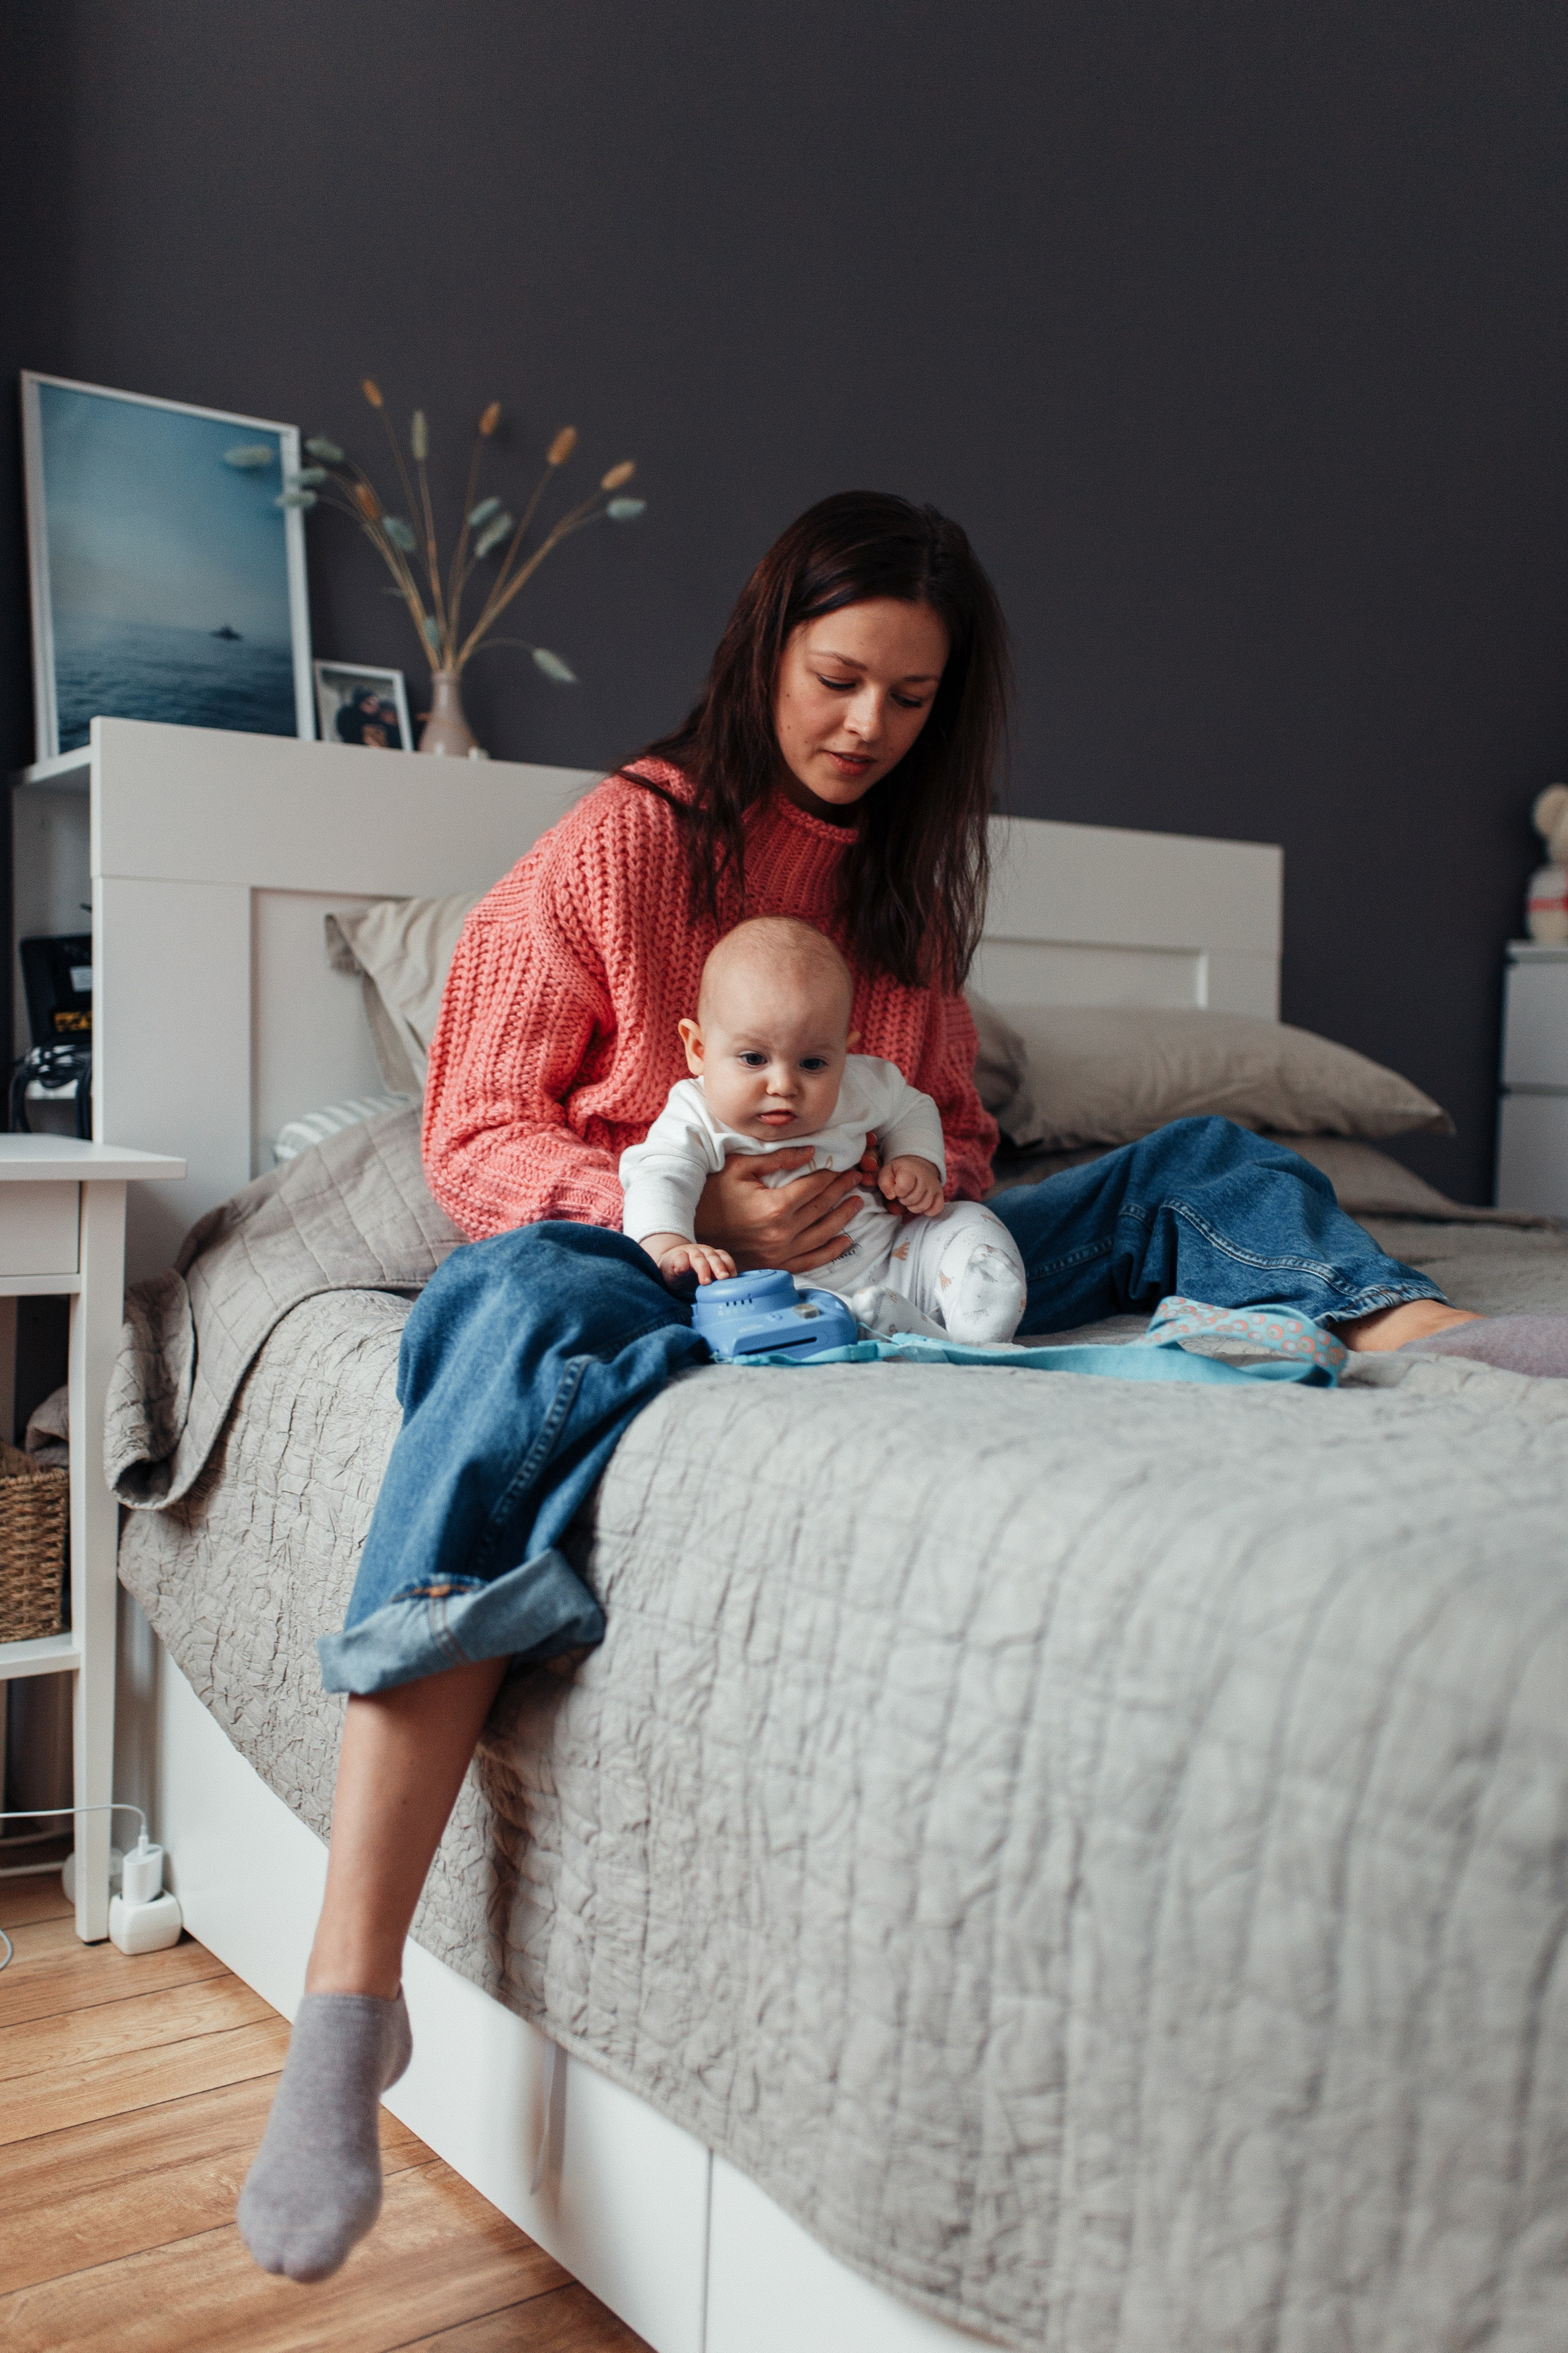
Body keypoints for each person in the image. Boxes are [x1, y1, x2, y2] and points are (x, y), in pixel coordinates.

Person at [237, 490, 1477, 2283]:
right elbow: (472, 1128)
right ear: (766, 653)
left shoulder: (905, 881)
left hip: (882, 1248)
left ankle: (1403, 1334)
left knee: (1201, 1155)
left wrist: (922, 1181)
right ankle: (351, 1995)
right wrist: (695, 1209)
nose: (864, 729)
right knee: (505, 1314)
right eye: (837, 681)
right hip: (644, 1236)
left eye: (909, 699)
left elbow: (957, 1120)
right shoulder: (623, 842)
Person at [620, 912, 1029, 1341]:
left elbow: (913, 1108)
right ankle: (876, 1326)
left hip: (898, 1256)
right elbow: (658, 1176)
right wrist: (671, 1247)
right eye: (753, 1059)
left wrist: (915, 1161)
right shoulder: (694, 1113)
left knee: (968, 1220)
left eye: (813, 1063)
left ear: (843, 1053)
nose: (783, 1085)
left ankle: (979, 1322)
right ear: (699, 1048)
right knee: (734, 1302)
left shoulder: (861, 1084)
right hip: (787, 1285)